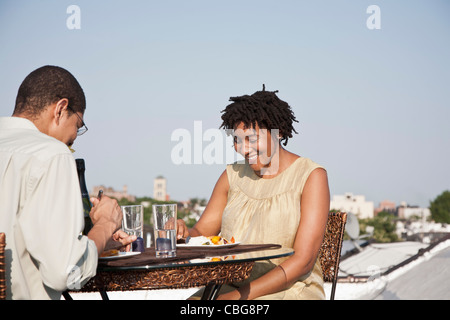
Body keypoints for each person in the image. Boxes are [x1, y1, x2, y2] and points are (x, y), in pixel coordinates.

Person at [178, 86, 330, 299]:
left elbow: (303, 262)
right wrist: (183, 234)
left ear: (280, 132)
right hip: (228, 285)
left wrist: (237, 297)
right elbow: (203, 233)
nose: (243, 148)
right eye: (237, 140)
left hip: (290, 287)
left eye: (251, 138)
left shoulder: (311, 176)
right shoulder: (231, 175)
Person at [0, 65, 135, 299]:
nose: (74, 139)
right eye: (78, 126)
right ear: (61, 109)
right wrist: (105, 224)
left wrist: (97, 244)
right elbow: (66, 272)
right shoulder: (51, 153)